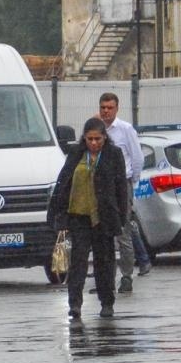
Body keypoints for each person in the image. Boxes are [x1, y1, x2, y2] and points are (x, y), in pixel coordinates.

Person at [47, 117, 132, 319]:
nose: (93, 143)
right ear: (84, 138)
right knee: (78, 262)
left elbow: (121, 188)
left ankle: (107, 303)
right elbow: (64, 182)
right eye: (89, 139)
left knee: (105, 262)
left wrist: (121, 218)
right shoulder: (76, 153)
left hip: (104, 218)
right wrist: (59, 215)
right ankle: (75, 304)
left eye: (97, 139)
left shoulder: (113, 154)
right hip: (79, 217)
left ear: (105, 137)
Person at [97, 91, 149, 290]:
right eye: (103, 107)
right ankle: (106, 279)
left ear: (117, 109)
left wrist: (130, 182)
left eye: (110, 108)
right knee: (102, 234)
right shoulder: (97, 130)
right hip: (100, 186)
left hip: (121, 185)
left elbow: (137, 158)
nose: (106, 111)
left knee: (123, 231)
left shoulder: (125, 129)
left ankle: (126, 276)